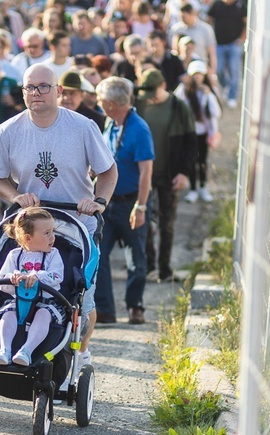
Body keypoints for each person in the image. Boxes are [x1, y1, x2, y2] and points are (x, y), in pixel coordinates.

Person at [0, 63, 118, 371]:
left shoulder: (83, 127)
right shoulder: (10, 130)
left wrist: (98, 201)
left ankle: (80, 351)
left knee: (83, 299)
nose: (36, 93)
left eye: (44, 87)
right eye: (30, 87)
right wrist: (15, 196)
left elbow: (109, 171)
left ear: (58, 91)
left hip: (76, 223)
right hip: (31, 224)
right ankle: (17, 346)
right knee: (19, 289)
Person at [94, 76, 154, 325]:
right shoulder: (111, 123)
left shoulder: (139, 128)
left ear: (109, 103)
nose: (99, 105)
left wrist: (140, 206)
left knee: (135, 257)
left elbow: (146, 172)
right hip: (109, 201)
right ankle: (106, 309)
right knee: (99, 255)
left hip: (131, 201)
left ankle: (135, 306)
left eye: (100, 101)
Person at [134, 68, 197, 282]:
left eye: (152, 92)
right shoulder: (139, 105)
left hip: (169, 174)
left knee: (167, 223)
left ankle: (165, 269)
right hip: (143, 175)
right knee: (144, 221)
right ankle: (149, 265)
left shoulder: (178, 107)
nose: (149, 97)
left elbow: (191, 142)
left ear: (162, 86)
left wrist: (183, 173)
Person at [0, 208, 65, 365]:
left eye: (53, 232)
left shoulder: (53, 254)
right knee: (8, 314)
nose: (53, 237)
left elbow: (57, 276)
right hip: (19, 300)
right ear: (28, 238)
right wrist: (12, 279)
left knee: (44, 314)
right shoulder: (15, 256)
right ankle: (5, 349)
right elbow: (0, 280)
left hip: (46, 301)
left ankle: (26, 351)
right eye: (47, 233)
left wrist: (38, 276)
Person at [174, 60, 221, 203]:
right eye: (195, 74)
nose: (197, 78)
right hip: (189, 131)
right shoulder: (184, 89)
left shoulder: (208, 91)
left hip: (203, 133)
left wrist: (208, 95)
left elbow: (216, 112)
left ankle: (203, 187)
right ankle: (193, 189)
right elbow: (176, 104)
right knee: (191, 160)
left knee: (202, 160)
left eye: (200, 74)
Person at [207, 0, 247, 109]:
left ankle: (232, 97)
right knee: (218, 69)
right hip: (218, 44)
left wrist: (241, 39)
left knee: (234, 70)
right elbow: (209, 20)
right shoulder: (217, 4)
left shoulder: (240, 5)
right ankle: (226, 86)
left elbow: (247, 23)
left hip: (234, 44)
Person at [170, 3, 217, 75]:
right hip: (181, 68)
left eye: (184, 17)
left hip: (201, 68)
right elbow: (174, 51)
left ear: (192, 14)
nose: (181, 19)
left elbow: (212, 53)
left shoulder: (205, 29)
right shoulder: (176, 29)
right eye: (180, 16)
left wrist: (213, 71)